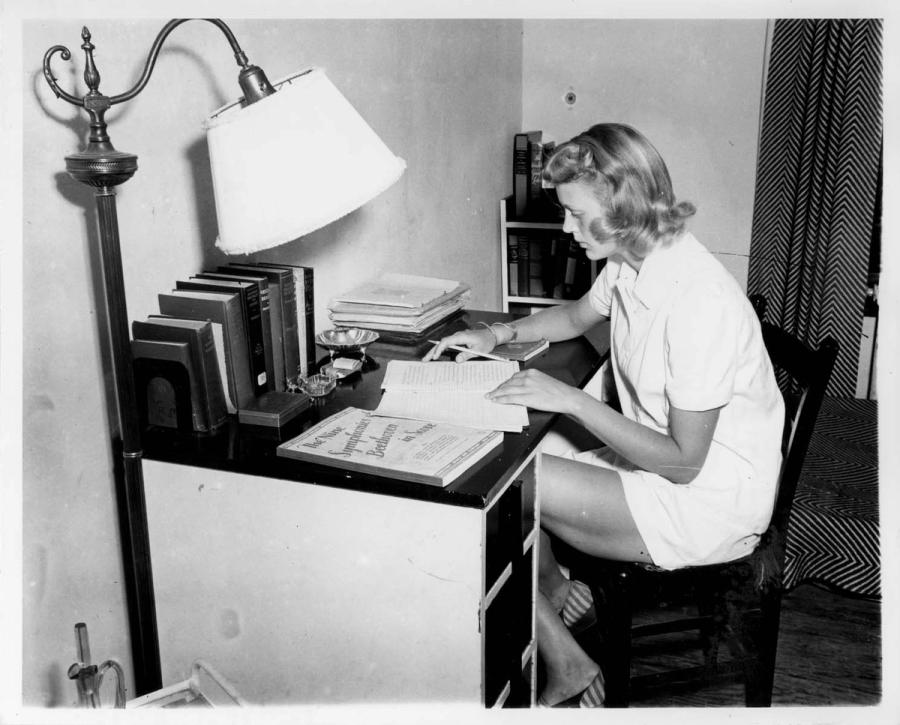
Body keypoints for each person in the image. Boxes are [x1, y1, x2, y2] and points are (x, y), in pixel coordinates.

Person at [424, 123, 785, 708]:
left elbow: (684, 462)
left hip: (705, 496)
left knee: (507, 486)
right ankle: (557, 588)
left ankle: (563, 655)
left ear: (623, 207)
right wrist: (496, 334)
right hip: (661, 459)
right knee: (514, 461)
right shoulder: (632, 260)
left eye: (573, 213)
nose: (565, 228)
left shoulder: (699, 302)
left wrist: (570, 399)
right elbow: (570, 320)